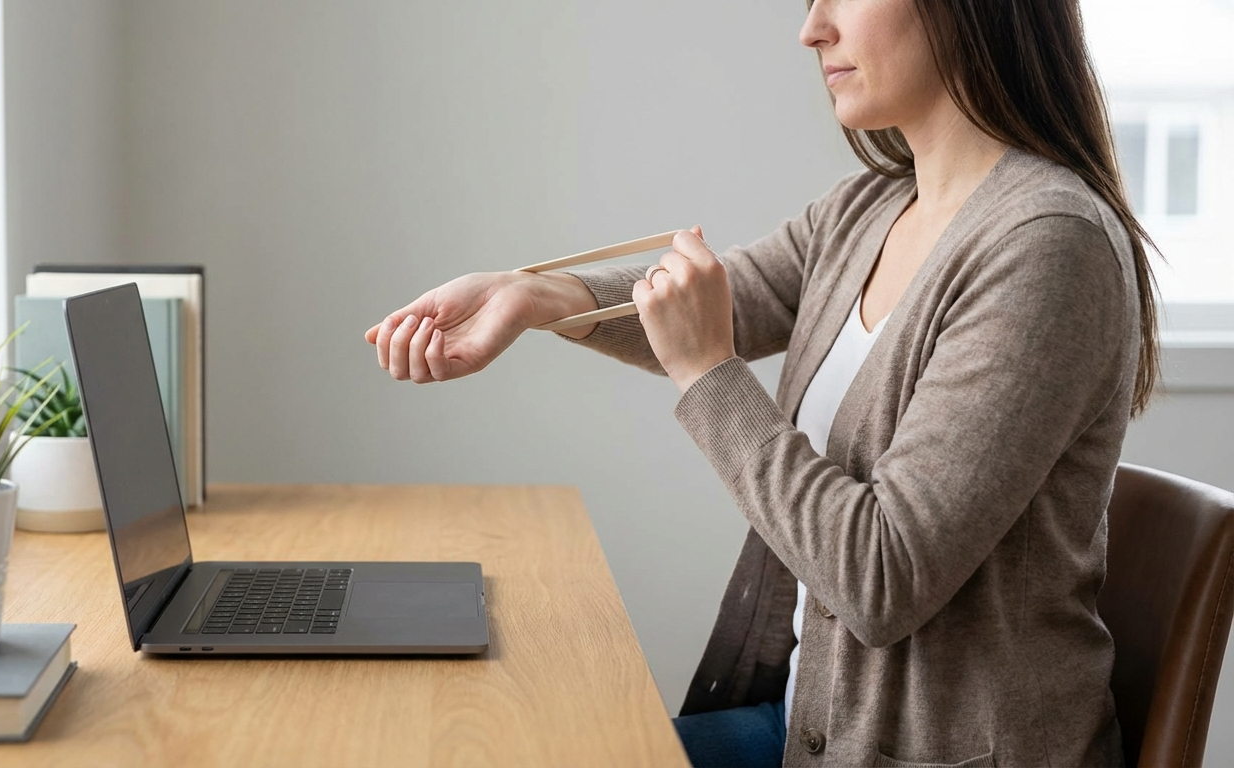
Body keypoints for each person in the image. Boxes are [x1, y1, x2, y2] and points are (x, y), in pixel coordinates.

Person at [365, 0, 1159, 765]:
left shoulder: (1048, 246)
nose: (812, 29)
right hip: (807, 727)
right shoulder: (868, 210)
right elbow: (721, 301)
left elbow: (883, 576)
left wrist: (707, 374)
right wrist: (537, 295)